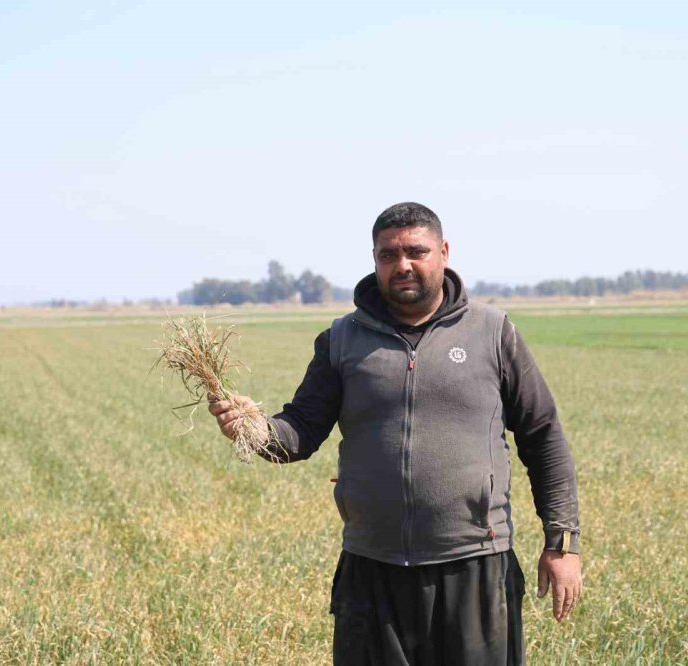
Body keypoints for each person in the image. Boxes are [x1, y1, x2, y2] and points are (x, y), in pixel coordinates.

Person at [209, 202, 581, 665]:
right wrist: (254, 429)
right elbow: (299, 432)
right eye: (388, 255)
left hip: (475, 562)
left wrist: (561, 543)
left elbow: (543, 436)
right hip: (372, 570)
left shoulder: (492, 332)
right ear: (375, 260)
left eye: (415, 251)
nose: (402, 265)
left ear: (443, 252)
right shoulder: (342, 340)